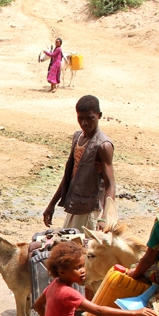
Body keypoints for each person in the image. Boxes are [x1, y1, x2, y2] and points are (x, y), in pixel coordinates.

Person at [43, 95, 115, 235]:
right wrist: (51, 205)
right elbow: (69, 176)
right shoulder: (77, 137)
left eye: (89, 118)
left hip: (90, 210)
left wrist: (106, 217)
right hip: (74, 204)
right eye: (80, 118)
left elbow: (110, 184)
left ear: (99, 116)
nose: (84, 123)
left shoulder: (103, 145)